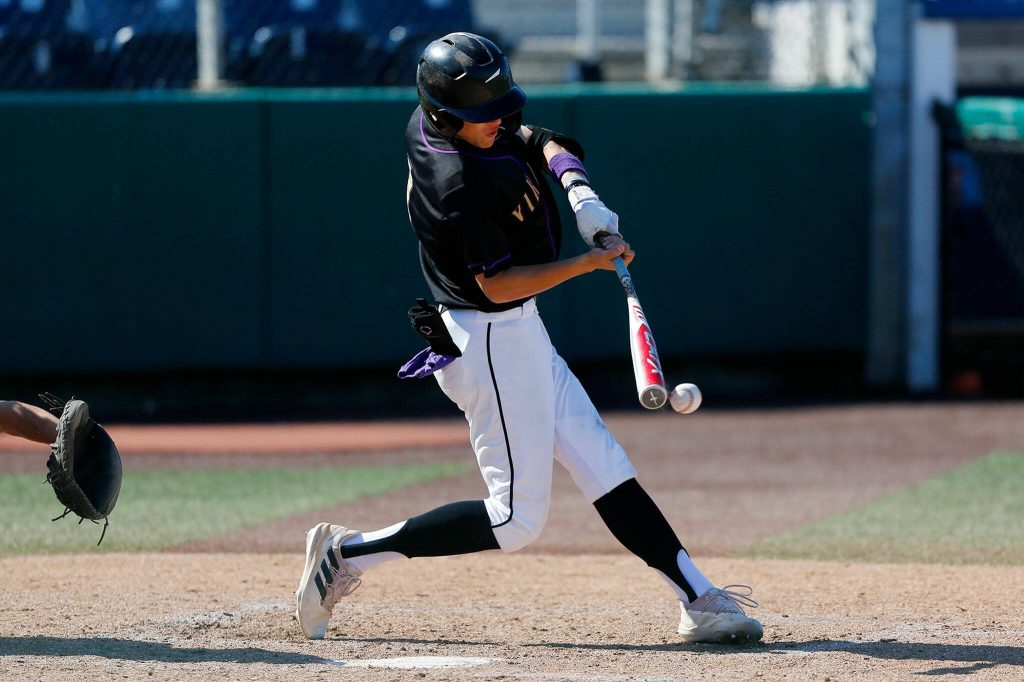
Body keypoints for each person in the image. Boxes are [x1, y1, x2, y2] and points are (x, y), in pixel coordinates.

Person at [295, 32, 763, 645]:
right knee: (513, 520)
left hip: (517, 332)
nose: (494, 121)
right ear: (444, 115)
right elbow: (496, 286)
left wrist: (579, 191)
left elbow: (536, 137)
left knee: (603, 464)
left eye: (495, 107)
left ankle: (697, 597)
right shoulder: (453, 182)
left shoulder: (454, 116)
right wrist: (587, 263)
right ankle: (347, 553)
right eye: (478, 115)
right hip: (487, 337)